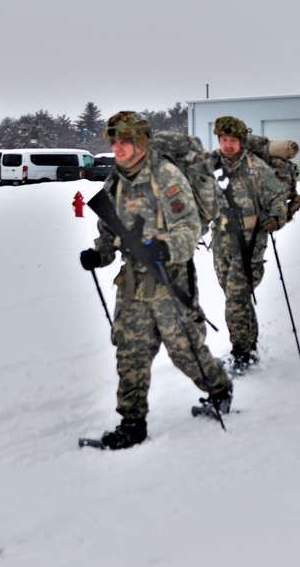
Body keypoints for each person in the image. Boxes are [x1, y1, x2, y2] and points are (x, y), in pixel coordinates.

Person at [79, 111, 233, 449]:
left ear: (140, 142)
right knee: (130, 351)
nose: (118, 147)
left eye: (125, 141)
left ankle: (219, 387)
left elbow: (189, 226)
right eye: (114, 141)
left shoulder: (166, 176)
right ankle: (132, 423)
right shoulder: (115, 180)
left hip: (169, 277)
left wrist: (167, 247)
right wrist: (99, 254)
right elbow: (109, 230)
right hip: (132, 281)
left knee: (184, 351)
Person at [207, 116, 288, 373]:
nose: (228, 145)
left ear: (241, 141)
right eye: (223, 140)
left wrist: (276, 217)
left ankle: (241, 353)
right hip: (221, 242)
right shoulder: (210, 166)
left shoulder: (256, 168)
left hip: (250, 241)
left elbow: (277, 196)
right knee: (236, 298)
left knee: (235, 298)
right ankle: (250, 345)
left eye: (232, 140)